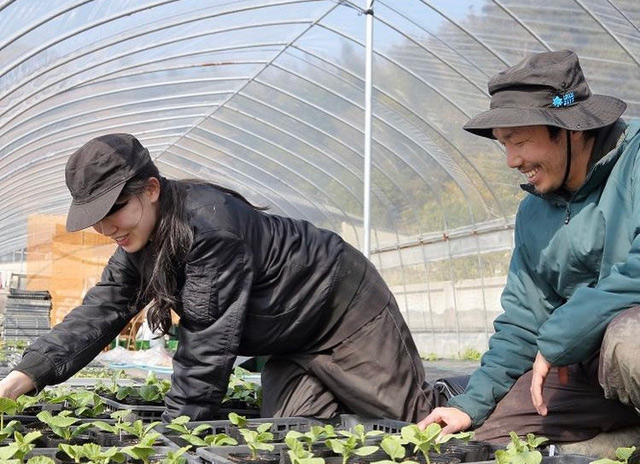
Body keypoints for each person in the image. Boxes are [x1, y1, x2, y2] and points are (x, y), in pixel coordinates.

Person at [0, 133, 441, 422]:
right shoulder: (138, 243)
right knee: (293, 431)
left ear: (151, 189)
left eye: (113, 210)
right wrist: (22, 377)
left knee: (415, 422)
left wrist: (176, 433)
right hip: (287, 337)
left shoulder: (210, 227)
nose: (105, 227)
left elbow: (207, 345)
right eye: (95, 217)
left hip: (341, 306)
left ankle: (463, 402)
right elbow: (101, 311)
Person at [419, 49, 640, 443]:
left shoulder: (635, 161)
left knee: (630, 341)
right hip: (584, 367)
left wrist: (563, 335)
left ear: (572, 130)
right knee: (494, 439)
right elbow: (525, 318)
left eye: (519, 141)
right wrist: (469, 404)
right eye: (503, 144)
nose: (511, 160)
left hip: (624, 348)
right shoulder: (533, 212)